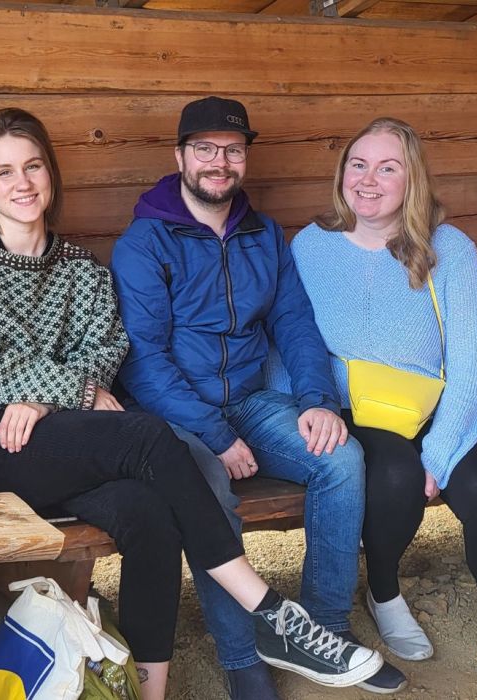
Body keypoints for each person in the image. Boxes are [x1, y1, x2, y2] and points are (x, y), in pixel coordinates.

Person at [0, 107, 384, 700]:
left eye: (33, 166)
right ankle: (272, 614)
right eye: (4, 172)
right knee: (149, 436)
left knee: (149, 515)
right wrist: (64, 394)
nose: (22, 183)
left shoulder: (82, 270)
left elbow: (106, 350)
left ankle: (151, 692)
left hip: (70, 445)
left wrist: (48, 400)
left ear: (51, 174)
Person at [110, 96, 407, 699]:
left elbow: (295, 324)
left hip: (250, 401)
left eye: (232, 150)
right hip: (176, 417)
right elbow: (144, 362)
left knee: (340, 459)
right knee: (208, 488)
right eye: (204, 149)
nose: (219, 162)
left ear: (244, 159)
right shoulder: (144, 242)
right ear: (180, 157)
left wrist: (318, 401)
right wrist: (216, 436)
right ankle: (242, 653)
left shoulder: (264, 235)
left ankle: (322, 628)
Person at [275, 116, 477, 696]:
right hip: (352, 409)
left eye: (387, 168)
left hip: (434, 407)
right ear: (342, 174)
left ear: (412, 180)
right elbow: (292, 339)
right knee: (395, 476)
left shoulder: (449, 249)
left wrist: (441, 454)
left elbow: (470, 365)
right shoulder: (310, 246)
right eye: (358, 165)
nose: (368, 180)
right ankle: (384, 593)